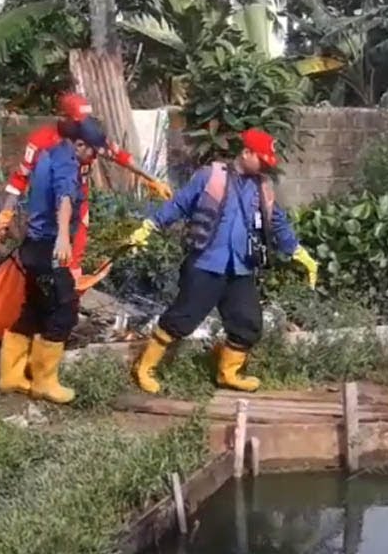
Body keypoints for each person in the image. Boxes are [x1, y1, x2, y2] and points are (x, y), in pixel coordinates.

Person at [125, 129, 321, 394]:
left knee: (247, 323)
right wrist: (149, 226)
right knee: (182, 318)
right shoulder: (211, 176)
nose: (264, 167)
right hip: (206, 264)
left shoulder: (262, 187)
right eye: (261, 160)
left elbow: (277, 222)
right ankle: (144, 367)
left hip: (240, 268)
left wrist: (298, 252)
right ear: (247, 153)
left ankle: (227, 373)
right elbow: (179, 204)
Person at [0, 92, 173, 277]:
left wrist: (152, 179)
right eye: (79, 122)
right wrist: (5, 215)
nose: (84, 126)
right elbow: (19, 180)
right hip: (47, 209)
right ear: (63, 117)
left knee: (73, 259)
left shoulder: (89, 137)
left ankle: (71, 283)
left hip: (78, 208)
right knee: (41, 258)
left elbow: (120, 156)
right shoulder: (41, 142)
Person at [0, 116, 107, 404]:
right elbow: (65, 199)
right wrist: (63, 237)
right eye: (93, 151)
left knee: (34, 309)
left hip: (33, 246)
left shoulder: (46, 155)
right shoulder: (67, 163)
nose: (94, 158)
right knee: (64, 310)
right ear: (79, 144)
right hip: (49, 248)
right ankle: (44, 381)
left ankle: (10, 375)